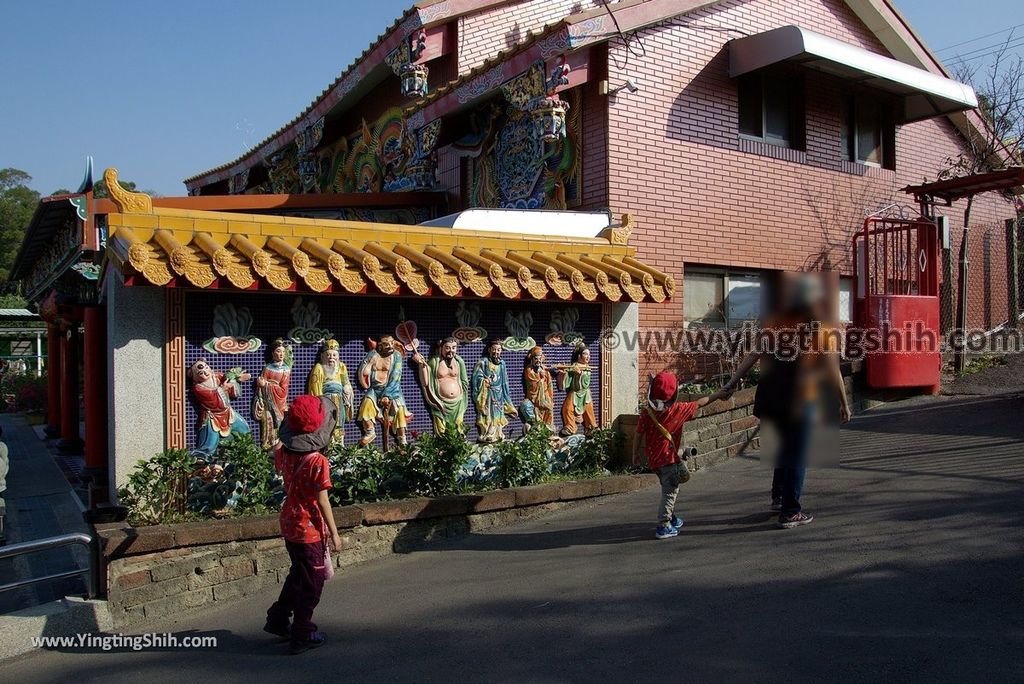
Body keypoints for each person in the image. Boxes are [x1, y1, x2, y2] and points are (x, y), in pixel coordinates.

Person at [722, 273, 851, 529]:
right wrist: (843, 403)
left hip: (771, 397)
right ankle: (791, 511)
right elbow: (833, 370)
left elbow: (754, 355)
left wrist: (732, 382)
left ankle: (779, 497)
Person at [265, 394, 342, 655]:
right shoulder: (317, 461)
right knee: (312, 580)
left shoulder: (285, 453)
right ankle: (302, 631)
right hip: (308, 527)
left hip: (289, 521)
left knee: (299, 572)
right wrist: (335, 533)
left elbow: (277, 451)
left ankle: (278, 617)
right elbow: (323, 501)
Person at [633, 372, 729, 539]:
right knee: (670, 491)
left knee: (670, 484)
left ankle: (671, 515)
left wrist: (635, 454)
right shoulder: (679, 409)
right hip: (668, 460)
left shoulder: (646, 413)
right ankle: (663, 525)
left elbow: (638, 435)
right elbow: (701, 403)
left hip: (654, 459)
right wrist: (719, 394)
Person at [189, 359, 251, 457]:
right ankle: (202, 457)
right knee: (210, 442)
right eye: (201, 373)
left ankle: (246, 451)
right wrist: (223, 388)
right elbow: (212, 399)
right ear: (195, 377)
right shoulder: (198, 388)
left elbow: (232, 389)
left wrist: (236, 379)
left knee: (244, 429)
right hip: (212, 416)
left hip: (228, 412)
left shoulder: (217, 376)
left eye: (206, 368)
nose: (205, 372)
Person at [356, 335, 410, 447]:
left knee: (398, 410)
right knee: (366, 406)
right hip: (375, 390)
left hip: (391, 390)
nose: (390, 346)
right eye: (386, 344)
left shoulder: (396, 356)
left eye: (391, 343)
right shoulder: (373, 355)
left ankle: (402, 439)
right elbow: (364, 372)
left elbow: (396, 375)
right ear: (380, 346)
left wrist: (387, 395)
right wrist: (371, 362)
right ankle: (370, 432)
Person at [411, 337, 469, 434]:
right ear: (441, 348)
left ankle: (458, 446)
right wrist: (421, 364)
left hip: (458, 402)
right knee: (441, 429)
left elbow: (464, 380)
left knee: (459, 427)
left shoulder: (459, 362)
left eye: (454, 348)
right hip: (441, 402)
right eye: (447, 348)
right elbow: (426, 382)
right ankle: (441, 447)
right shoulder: (434, 362)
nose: (451, 351)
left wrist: (463, 396)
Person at [307, 339, 354, 445]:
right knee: (327, 423)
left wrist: (347, 389)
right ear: (323, 356)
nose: (331, 358)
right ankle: (329, 446)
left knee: (339, 422)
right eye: (328, 355)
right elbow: (315, 387)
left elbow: (346, 381)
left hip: (339, 399)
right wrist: (318, 404)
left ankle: (340, 446)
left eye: (334, 355)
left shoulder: (341, 366)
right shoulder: (319, 368)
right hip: (326, 400)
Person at [471, 339, 517, 443]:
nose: (496, 352)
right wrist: (483, 381)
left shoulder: (502, 364)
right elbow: (476, 377)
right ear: (489, 350)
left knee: (498, 413)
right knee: (487, 413)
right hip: (486, 393)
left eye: (499, 350)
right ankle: (487, 432)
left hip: (499, 394)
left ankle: (498, 433)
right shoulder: (483, 362)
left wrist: (508, 402)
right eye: (494, 349)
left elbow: (505, 382)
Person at [253, 339, 293, 449]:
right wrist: (260, 385)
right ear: (273, 353)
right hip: (267, 401)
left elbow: (283, 390)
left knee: (280, 423)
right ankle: (268, 444)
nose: (281, 354)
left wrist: (266, 385)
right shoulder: (267, 368)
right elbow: (260, 385)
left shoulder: (285, 370)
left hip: (279, 402)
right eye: (279, 351)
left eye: (283, 352)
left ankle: (279, 444)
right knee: (268, 420)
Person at [556, 344, 597, 436]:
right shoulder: (574, 366)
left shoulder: (587, 368)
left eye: (589, 355)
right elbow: (567, 381)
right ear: (579, 356)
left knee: (589, 410)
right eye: (585, 354)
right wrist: (563, 373)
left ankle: (591, 427)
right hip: (574, 392)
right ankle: (570, 426)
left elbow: (585, 382)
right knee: (567, 409)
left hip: (585, 393)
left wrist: (580, 373)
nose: (588, 357)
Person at [519, 346, 555, 434]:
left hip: (545, 398)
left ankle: (547, 429)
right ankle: (534, 424)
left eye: (540, 359)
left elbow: (550, 386)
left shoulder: (546, 371)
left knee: (549, 409)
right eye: (536, 359)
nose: (538, 361)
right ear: (532, 359)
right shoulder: (529, 371)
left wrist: (550, 398)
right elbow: (534, 383)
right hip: (533, 399)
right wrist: (541, 378)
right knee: (525, 405)